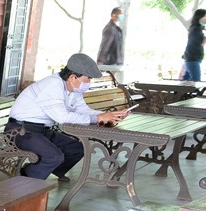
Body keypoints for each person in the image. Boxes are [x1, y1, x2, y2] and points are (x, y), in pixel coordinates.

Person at [7, 53, 129, 181]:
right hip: (20, 131)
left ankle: (45, 170)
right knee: (54, 156)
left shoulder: (74, 89)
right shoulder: (52, 86)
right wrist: (98, 118)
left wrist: (109, 116)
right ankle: (24, 177)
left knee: (76, 149)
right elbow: (63, 118)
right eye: (87, 79)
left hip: (42, 131)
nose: (89, 83)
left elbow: (84, 110)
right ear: (72, 77)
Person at [182, 8, 206, 82]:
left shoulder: (196, 28)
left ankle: (181, 93)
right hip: (193, 59)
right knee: (196, 82)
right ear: (200, 17)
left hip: (190, 59)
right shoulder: (196, 29)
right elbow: (201, 43)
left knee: (186, 84)